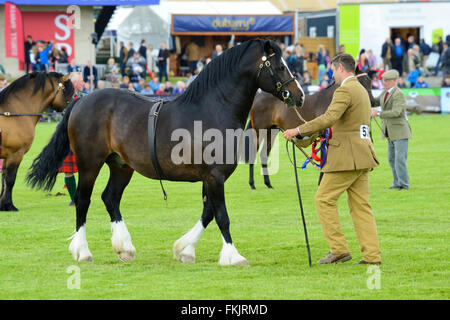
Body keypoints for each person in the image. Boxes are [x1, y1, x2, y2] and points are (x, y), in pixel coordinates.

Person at [283, 53, 381, 265]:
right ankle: (372, 256)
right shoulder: (361, 90)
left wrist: (297, 130)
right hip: (363, 154)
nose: (332, 73)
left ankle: (338, 250)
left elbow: (329, 118)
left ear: (340, 68)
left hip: (346, 156)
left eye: (333, 70)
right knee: (361, 206)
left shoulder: (344, 90)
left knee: (324, 199)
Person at [371, 69, 411, 191]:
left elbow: (396, 112)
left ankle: (404, 184)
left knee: (400, 160)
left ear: (394, 81)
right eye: (383, 80)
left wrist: (378, 112)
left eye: (387, 80)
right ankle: (396, 182)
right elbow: (374, 101)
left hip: (400, 132)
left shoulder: (398, 94)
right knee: (392, 159)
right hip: (390, 132)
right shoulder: (385, 92)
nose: (384, 82)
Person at [58, 72, 85, 206]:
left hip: (84, 137)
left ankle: (82, 197)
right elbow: (59, 117)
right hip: (67, 137)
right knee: (68, 170)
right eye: (81, 81)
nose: (83, 84)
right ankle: (74, 199)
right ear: (74, 83)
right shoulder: (64, 98)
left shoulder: (85, 97)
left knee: (85, 169)